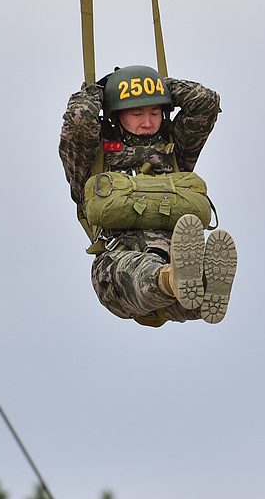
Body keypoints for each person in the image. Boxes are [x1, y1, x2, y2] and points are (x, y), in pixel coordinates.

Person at [59, 65, 238, 327]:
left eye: (155, 112)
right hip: (119, 262)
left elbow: (205, 102)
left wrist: (163, 87)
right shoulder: (92, 158)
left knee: (191, 295)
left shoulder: (173, 149)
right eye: (136, 113)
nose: (147, 122)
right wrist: (100, 91)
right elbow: (79, 119)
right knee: (138, 270)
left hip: (174, 252)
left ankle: (201, 288)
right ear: (116, 115)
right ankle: (173, 279)